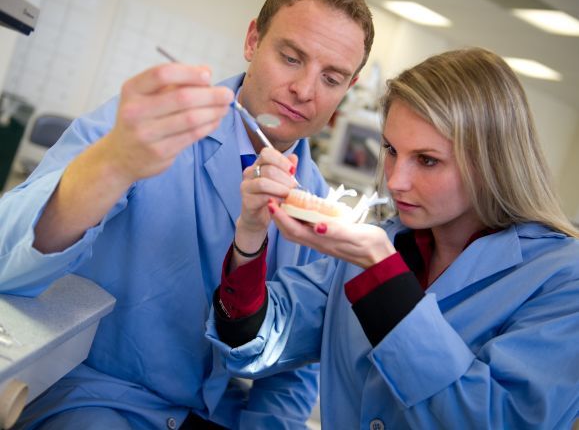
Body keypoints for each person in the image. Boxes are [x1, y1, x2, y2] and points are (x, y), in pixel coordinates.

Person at [0, 0, 374, 429]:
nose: (305, 90)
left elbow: (293, 370)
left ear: (347, 90)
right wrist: (112, 164)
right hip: (96, 398)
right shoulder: (158, 127)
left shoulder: (315, 202)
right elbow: (8, 255)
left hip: (215, 414)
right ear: (253, 40)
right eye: (292, 57)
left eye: (331, 78)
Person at [208, 47, 579, 429]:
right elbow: (254, 344)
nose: (396, 181)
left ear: (491, 163)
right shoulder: (384, 244)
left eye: (427, 160)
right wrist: (250, 237)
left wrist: (384, 276)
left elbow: (497, 420)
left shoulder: (562, 279)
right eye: (391, 150)